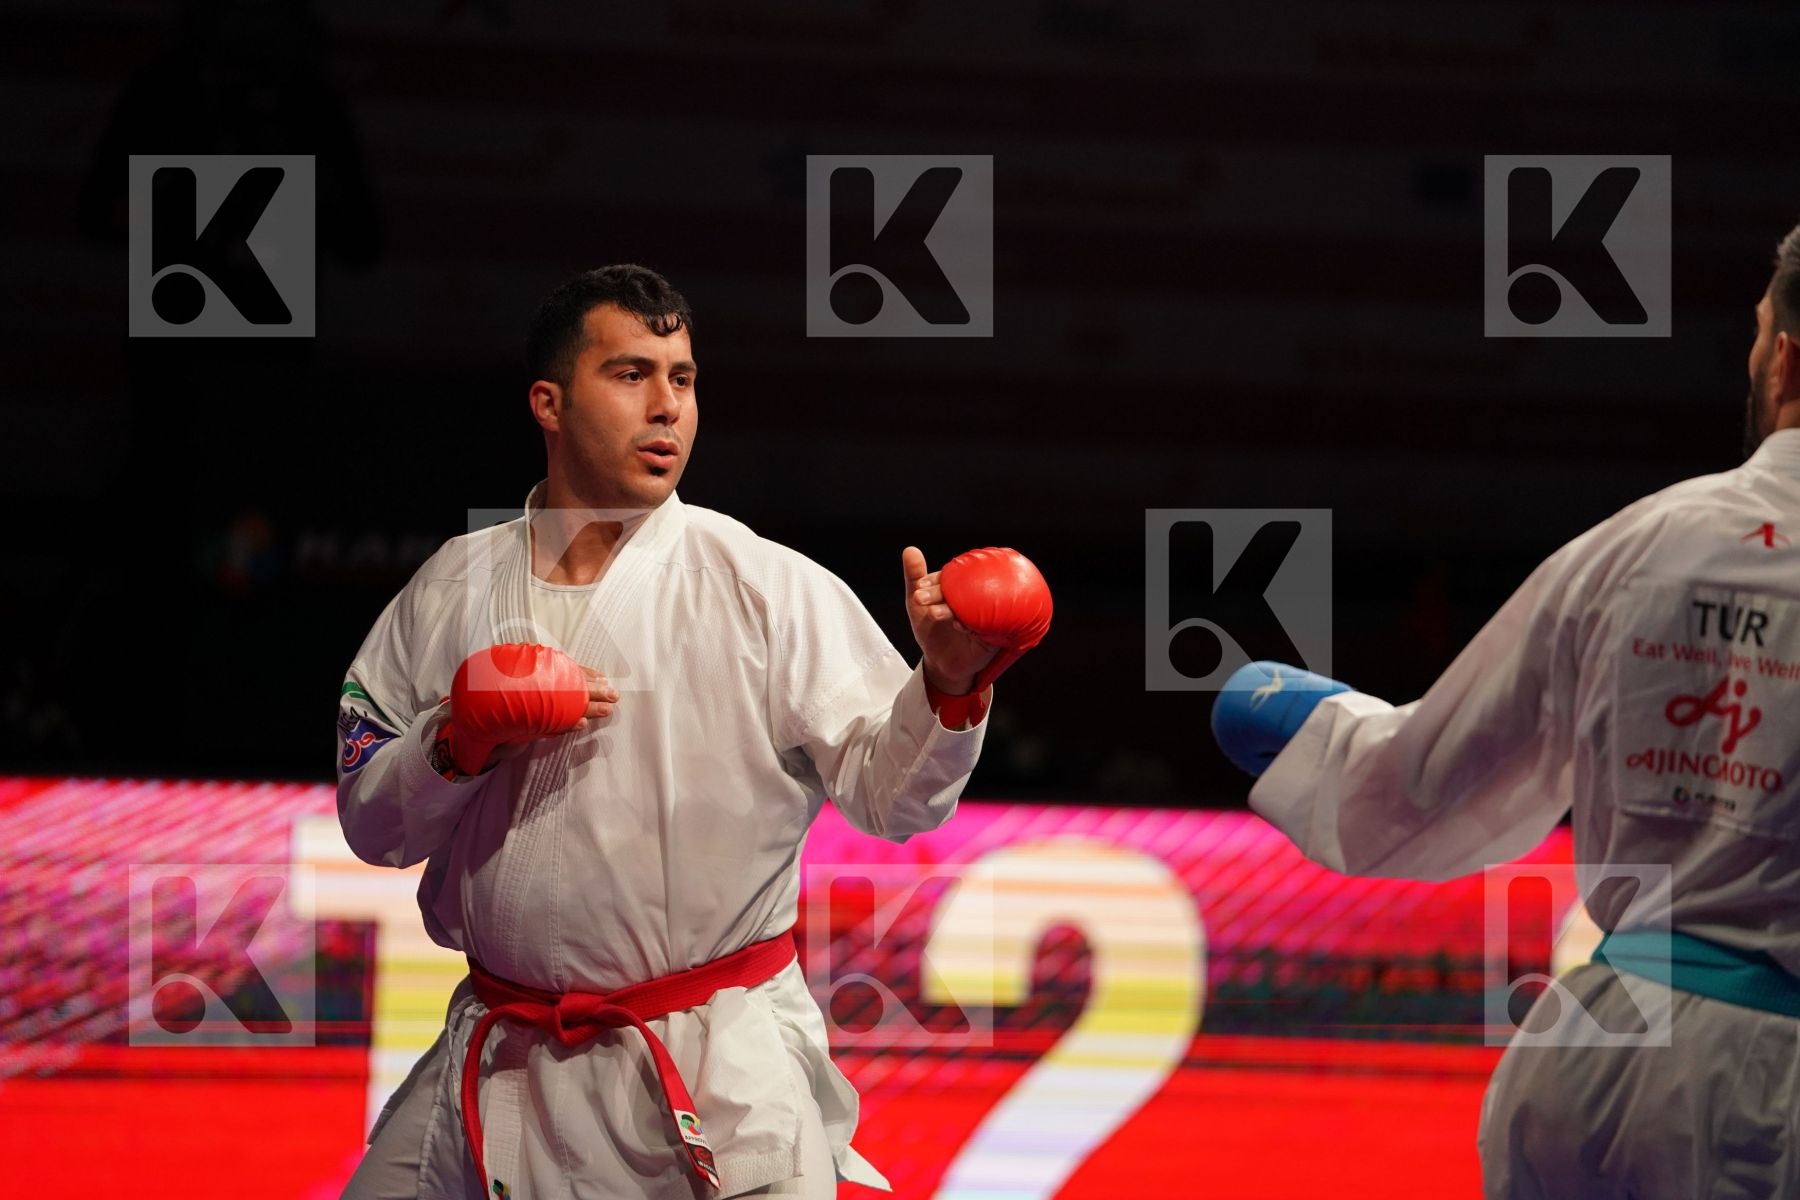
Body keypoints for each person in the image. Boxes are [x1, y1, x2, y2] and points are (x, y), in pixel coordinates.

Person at [335, 265, 1047, 1199]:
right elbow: (372, 824)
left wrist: (947, 686)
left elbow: (894, 797)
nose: (667, 405)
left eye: (683, 377)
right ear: (549, 403)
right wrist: (452, 741)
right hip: (501, 1056)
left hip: (714, 1073)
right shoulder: (454, 585)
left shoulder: (762, 584)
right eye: (631, 375)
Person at [1211, 226, 1800, 1199]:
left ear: (1782, 355)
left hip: (1589, 1060)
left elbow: (1426, 776)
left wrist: (1300, 720)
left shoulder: (1638, 543)